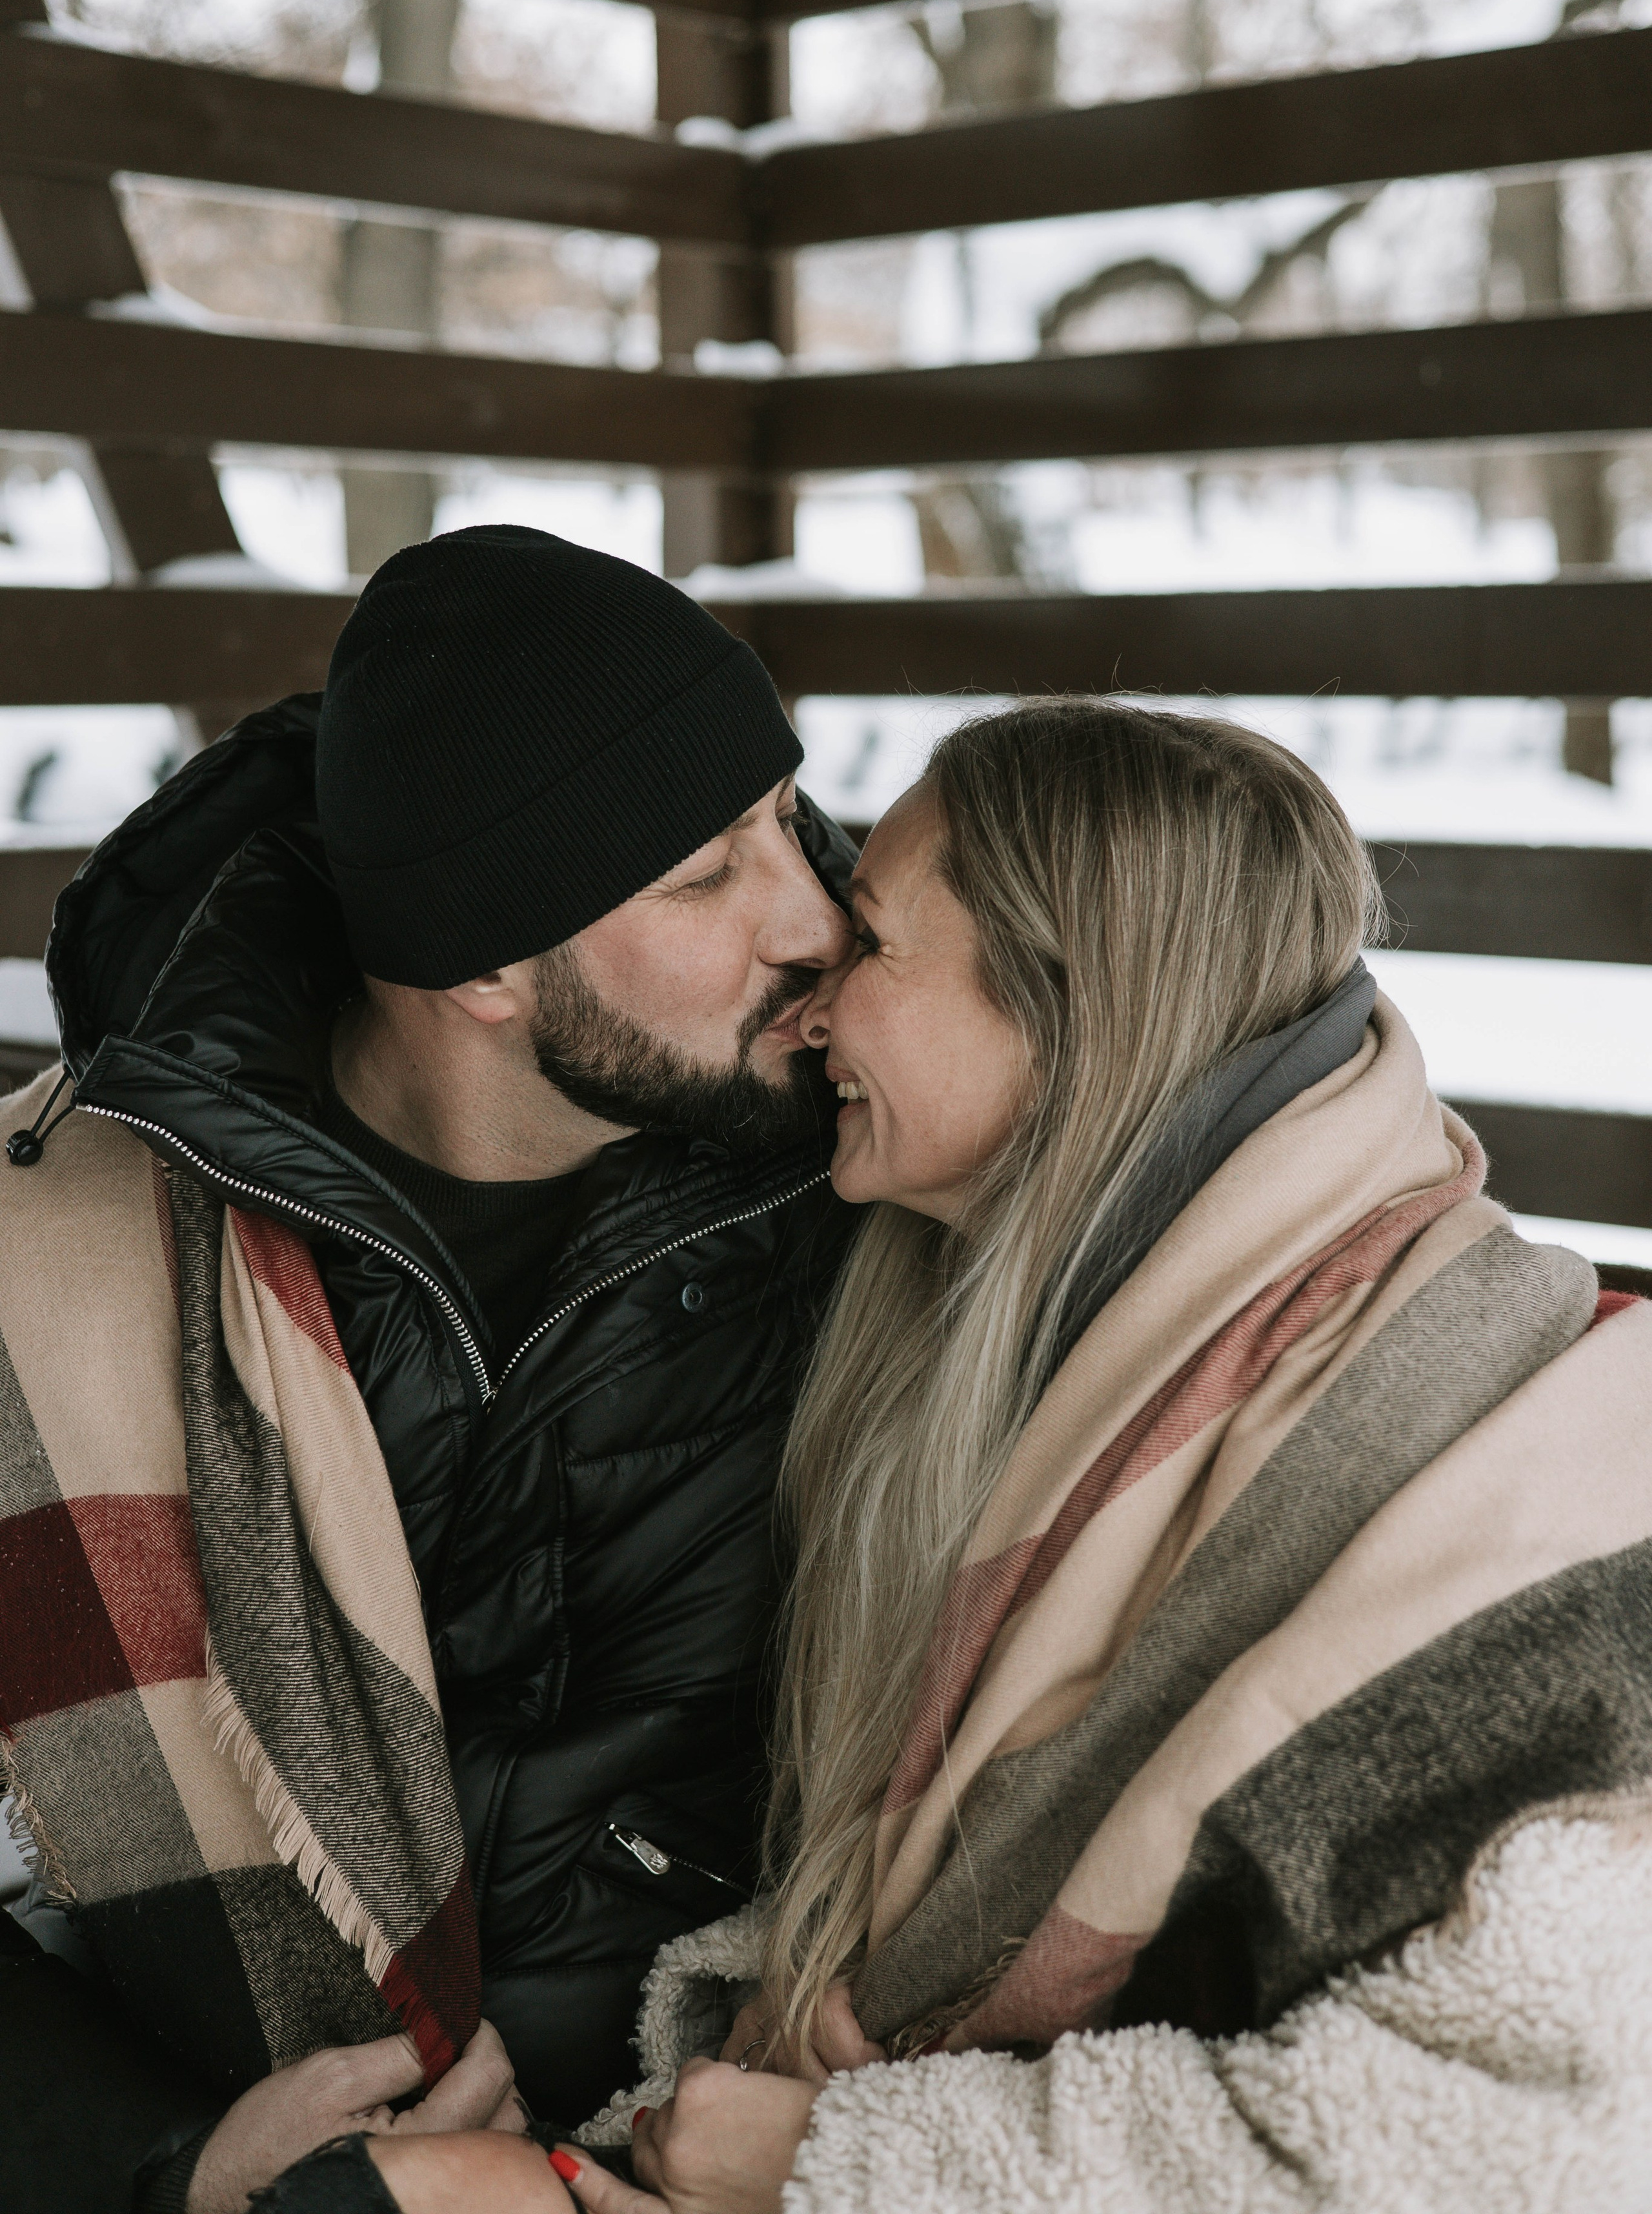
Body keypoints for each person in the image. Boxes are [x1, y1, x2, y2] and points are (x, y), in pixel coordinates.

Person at [382, 696, 1652, 2214]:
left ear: (1071, 1008)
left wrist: (827, 2165)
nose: (808, 1004)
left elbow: (1538, 2147)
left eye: (868, 940)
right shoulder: (1062, 1367)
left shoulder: (1476, 1462)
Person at [0, 525, 863, 2214]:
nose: (819, 918)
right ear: (478, 962)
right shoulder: (61, 1265)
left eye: (783, 816)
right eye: (707, 875)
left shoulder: (872, 1192)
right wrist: (152, 2161)